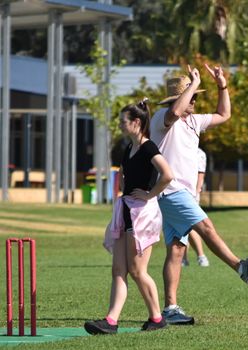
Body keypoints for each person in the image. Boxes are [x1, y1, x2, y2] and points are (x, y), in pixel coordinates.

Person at [150, 64, 248, 325]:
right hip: (171, 191)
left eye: (197, 96)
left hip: (183, 194)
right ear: (180, 97)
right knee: (206, 227)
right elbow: (176, 110)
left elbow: (224, 114)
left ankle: (170, 308)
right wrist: (192, 84)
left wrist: (222, 85)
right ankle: (241, 268)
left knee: (177, 250)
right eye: (193, 96)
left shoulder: (194, 120)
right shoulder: (163, 117)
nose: (196, 100)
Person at [84, 99, 173, 334]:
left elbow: (167, 174)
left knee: (137, 270)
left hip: (142, 214)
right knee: (118, 269)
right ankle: (111, 321)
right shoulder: (129, 148)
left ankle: (157, 318)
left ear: (136, 122)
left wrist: (149, 194)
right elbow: (124, 173)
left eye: (123, 121)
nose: (120, 125)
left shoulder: (148, 147)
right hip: (126, 210)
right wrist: (123, 186)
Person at [182, 148, 210, 267]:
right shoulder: (179, 148)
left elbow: (200, 174)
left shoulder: (199, 153)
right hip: (178, 193)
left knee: (190, 227)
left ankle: (201, 256)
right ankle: (184, 258)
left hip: (190, 195)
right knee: (182, 227)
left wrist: (196, 192)